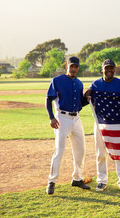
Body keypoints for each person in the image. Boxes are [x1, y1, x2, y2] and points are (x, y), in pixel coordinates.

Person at [45, 56, 90, 195]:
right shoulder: (57, 80)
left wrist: (87, 99)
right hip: (62, 118)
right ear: (67, 67)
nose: (74, 69)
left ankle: (77, 178)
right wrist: (51, 117)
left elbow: (79, 105)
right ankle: (51, 182)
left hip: (76, 118)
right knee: (59, 150)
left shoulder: (79, 83)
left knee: (81, 150)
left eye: (76, 66)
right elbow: (48, 98)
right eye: (72, 66)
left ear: (78, 68)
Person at [85, 59, 120, 192]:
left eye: (111, 68)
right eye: (106, 68)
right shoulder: (96, 84)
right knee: (100, 153)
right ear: (102, 69)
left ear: (115, 70)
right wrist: (87, 94)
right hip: (101, 123)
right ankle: (101, 180)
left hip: (117, 123)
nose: (109, 70)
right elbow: (88, 98)